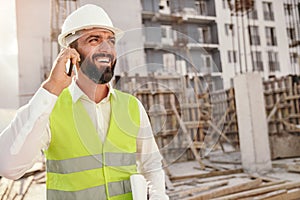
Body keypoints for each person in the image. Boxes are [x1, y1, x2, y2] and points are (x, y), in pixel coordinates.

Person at [0, 4, 169, 200]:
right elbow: (7, 166)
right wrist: (52, 86)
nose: (106, 49)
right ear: (72, 52)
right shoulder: (50, 107)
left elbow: (152, 165)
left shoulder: (132, 106)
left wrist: (158, 196)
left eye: (110, 40)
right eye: (94, 40)